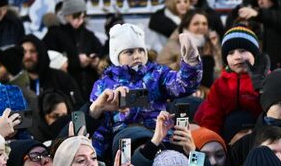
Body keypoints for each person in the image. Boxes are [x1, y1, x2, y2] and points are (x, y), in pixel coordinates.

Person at [87, 23, 203, 156]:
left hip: (161, 140)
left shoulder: (157, 74)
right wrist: (97, 158)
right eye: (129, 52)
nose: (137, 56)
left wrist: (191, 64)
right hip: (125, 145)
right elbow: (100, 128)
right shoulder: (103, 85)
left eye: (141, 50)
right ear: (115, 56)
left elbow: (183, 84)